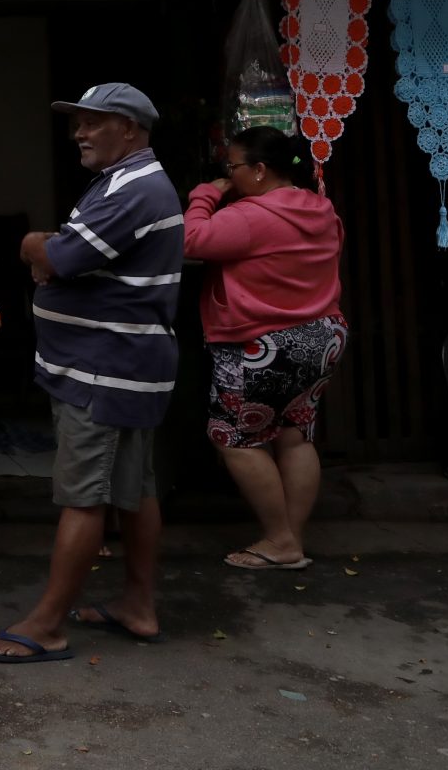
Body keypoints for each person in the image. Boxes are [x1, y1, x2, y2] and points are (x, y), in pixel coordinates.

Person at [0, 83, 182, 663]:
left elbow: (58, 257)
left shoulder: (133, 190)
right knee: (133, 489)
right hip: (121, 363)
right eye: (78, 124)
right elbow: (66, 257)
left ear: (132, 130)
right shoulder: (126, 183)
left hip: (106, 366)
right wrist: (52, 253)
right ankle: (138, 606)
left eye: (95, 123)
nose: (80, 134)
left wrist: (34, 244)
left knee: (84, 496)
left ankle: (46, 624)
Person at [184, 126, 347, 571]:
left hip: (263, 342)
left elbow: (192, 241)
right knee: (295, 437)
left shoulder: (250, 216)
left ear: (258, 169)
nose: (228, 175)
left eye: (232, 167)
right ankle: (290, 539)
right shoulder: (321, 208)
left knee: (234, 438)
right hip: (321, 336)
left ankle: (279, 539)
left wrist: (203, 195)